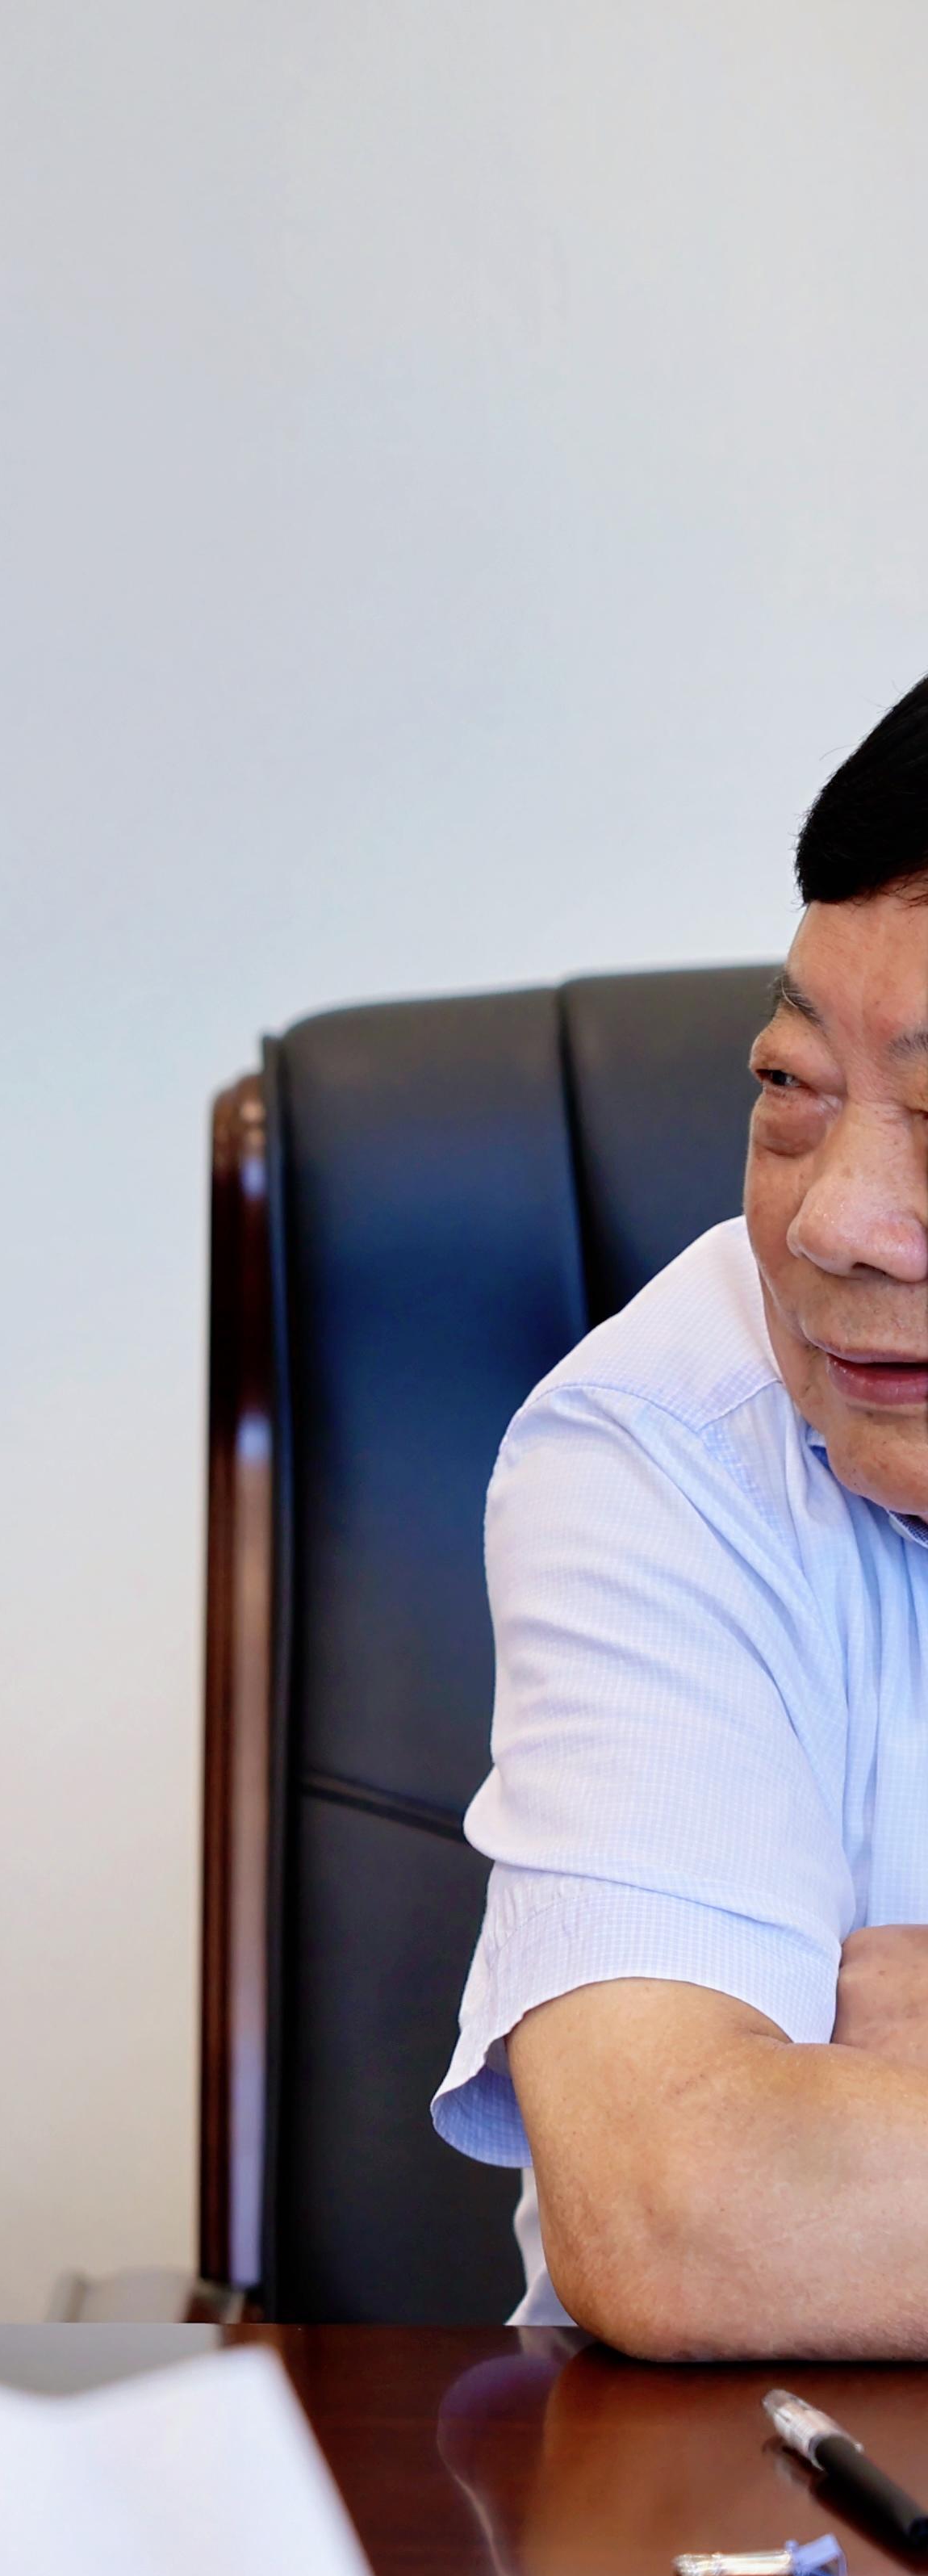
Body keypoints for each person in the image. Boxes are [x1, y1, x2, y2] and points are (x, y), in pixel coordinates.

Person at [434, 665, 928, 2352]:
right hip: (765, 2502)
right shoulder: (669, 1439)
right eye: (794, 1089)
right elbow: (687, 2212)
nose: (836, 1222)